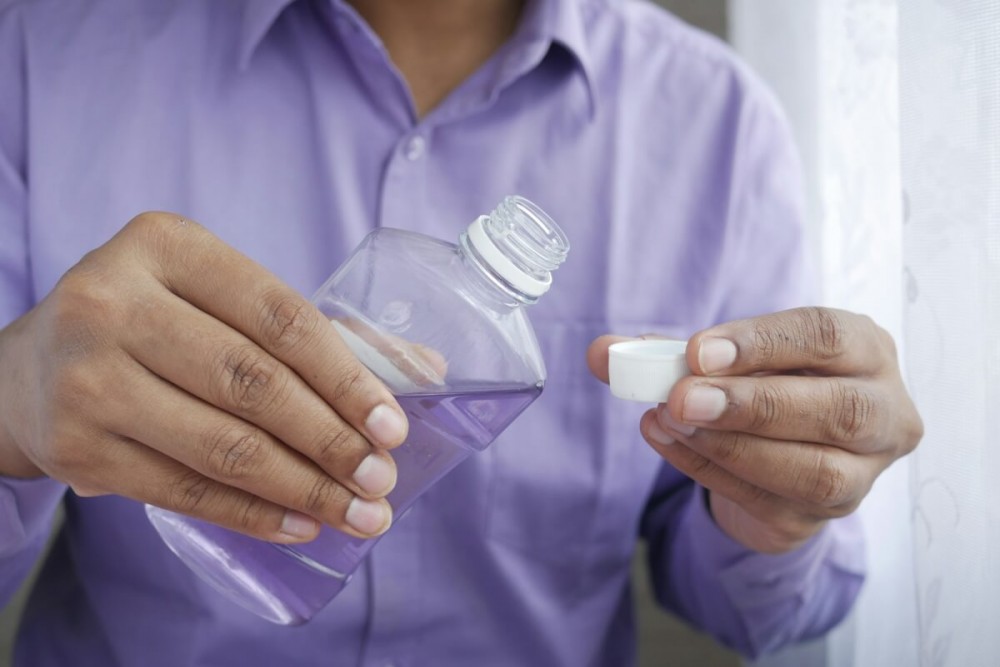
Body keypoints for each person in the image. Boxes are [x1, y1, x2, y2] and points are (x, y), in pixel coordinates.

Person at [0, 0, 923, 665]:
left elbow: (753, 612)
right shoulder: (40, 46)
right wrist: (10, 412)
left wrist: (775, 506)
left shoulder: (718, 126)